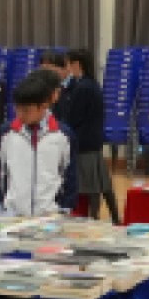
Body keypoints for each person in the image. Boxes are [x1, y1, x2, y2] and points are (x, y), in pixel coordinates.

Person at [0, 74, 78, 217]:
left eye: (26, 110)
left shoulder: (63, 136)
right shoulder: (5, 133)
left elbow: (70, 175)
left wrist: (65, 208)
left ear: (44, 106)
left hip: (50, 215)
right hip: (13, 214)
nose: (20, 114)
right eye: (17, 109)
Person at [61, 49, 120, 222]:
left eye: (69, 64)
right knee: (102, 183)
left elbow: (73, 117)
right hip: (94, 141)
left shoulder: (82, 88)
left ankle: (94, 218)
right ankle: (115, 217)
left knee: (90, 186)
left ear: (77, 64)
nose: (67, 69)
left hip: (84, 142)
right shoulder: (92, 84)